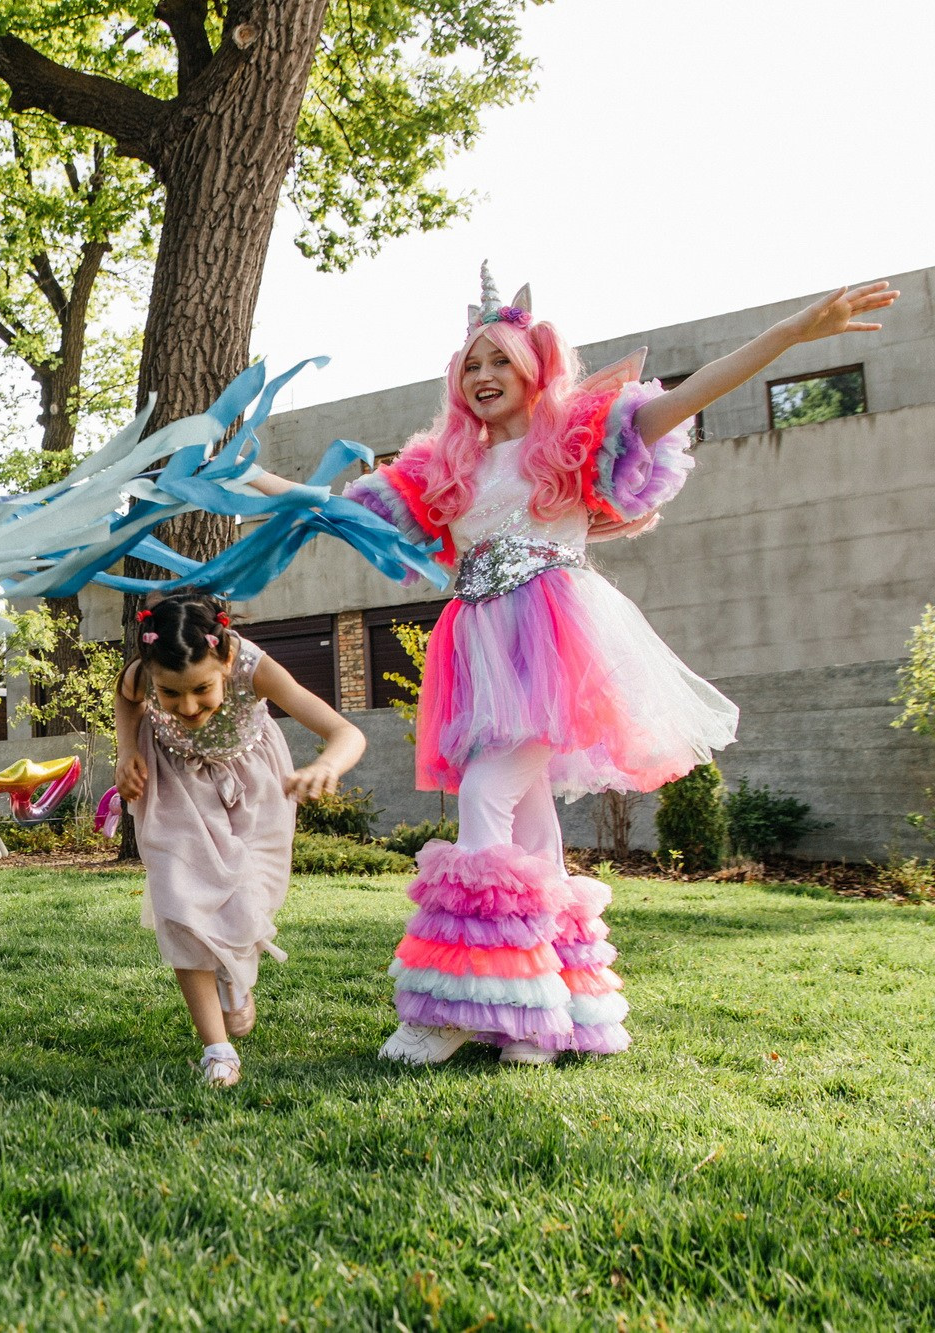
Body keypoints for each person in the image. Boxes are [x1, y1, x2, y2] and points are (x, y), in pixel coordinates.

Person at [274, 267, 898, 1066]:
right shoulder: (443, 468)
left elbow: (692, 394)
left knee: (488, 799)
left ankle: (461, 1005)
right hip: (478, 646)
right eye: (471, 365)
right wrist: (231, 484)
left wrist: (792, 333)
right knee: (533, 827)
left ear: (534, 366)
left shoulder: (574, 440)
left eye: (499, 360)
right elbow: (327, 509)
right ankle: (550, 1011)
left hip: (554, 643)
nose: (484, 377)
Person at [113, 592, 366, 1087]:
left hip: (254, 778)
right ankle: (217, 1050)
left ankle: (233, 970)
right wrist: (126, 751)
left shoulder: (254, 666)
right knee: (180, 900)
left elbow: (345, 732)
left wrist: (325, 766)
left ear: (225, 660)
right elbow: (125, 701)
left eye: (202, 689)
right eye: (170, 694)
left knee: (250, 898)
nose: (187, 706)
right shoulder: (142, 671)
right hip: (174, 780)